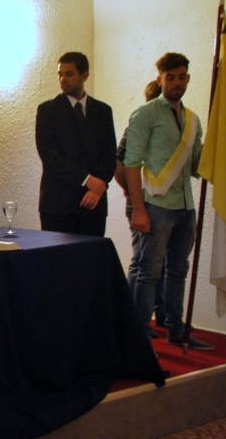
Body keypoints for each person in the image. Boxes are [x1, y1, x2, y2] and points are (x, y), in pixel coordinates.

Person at [124, 53, 213, 351]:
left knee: (178, 271)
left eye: (181, 77)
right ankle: (139, 338)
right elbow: (131, 163)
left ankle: (177, 330)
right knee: (148, 272)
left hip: (185, 207)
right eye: (170, 77)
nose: (177, 82)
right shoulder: (145, 114)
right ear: (160, 79)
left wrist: (213, 159)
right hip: (155, 205)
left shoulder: (193, 120)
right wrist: (138, 209)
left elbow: (194, 167)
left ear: (188, 78)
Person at [35, 51, 117, 236]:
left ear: (84, 75)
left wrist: (97, 188)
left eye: (69, 74)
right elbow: (50, 155)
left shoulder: (103, 111)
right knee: (58, 255)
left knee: (92, 254)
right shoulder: (48, 110)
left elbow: (109, 154)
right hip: (58, 204)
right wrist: (87, 180)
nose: (63, 79)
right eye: (60, 74)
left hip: (93, 204)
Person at [115, 80, 166, 328]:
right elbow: (119, 161)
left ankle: (160, 314)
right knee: (142, 262)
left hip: (164, 203)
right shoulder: (138, 125)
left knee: (158, 263)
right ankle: (132, 321)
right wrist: (129, 190)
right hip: (141, 202)